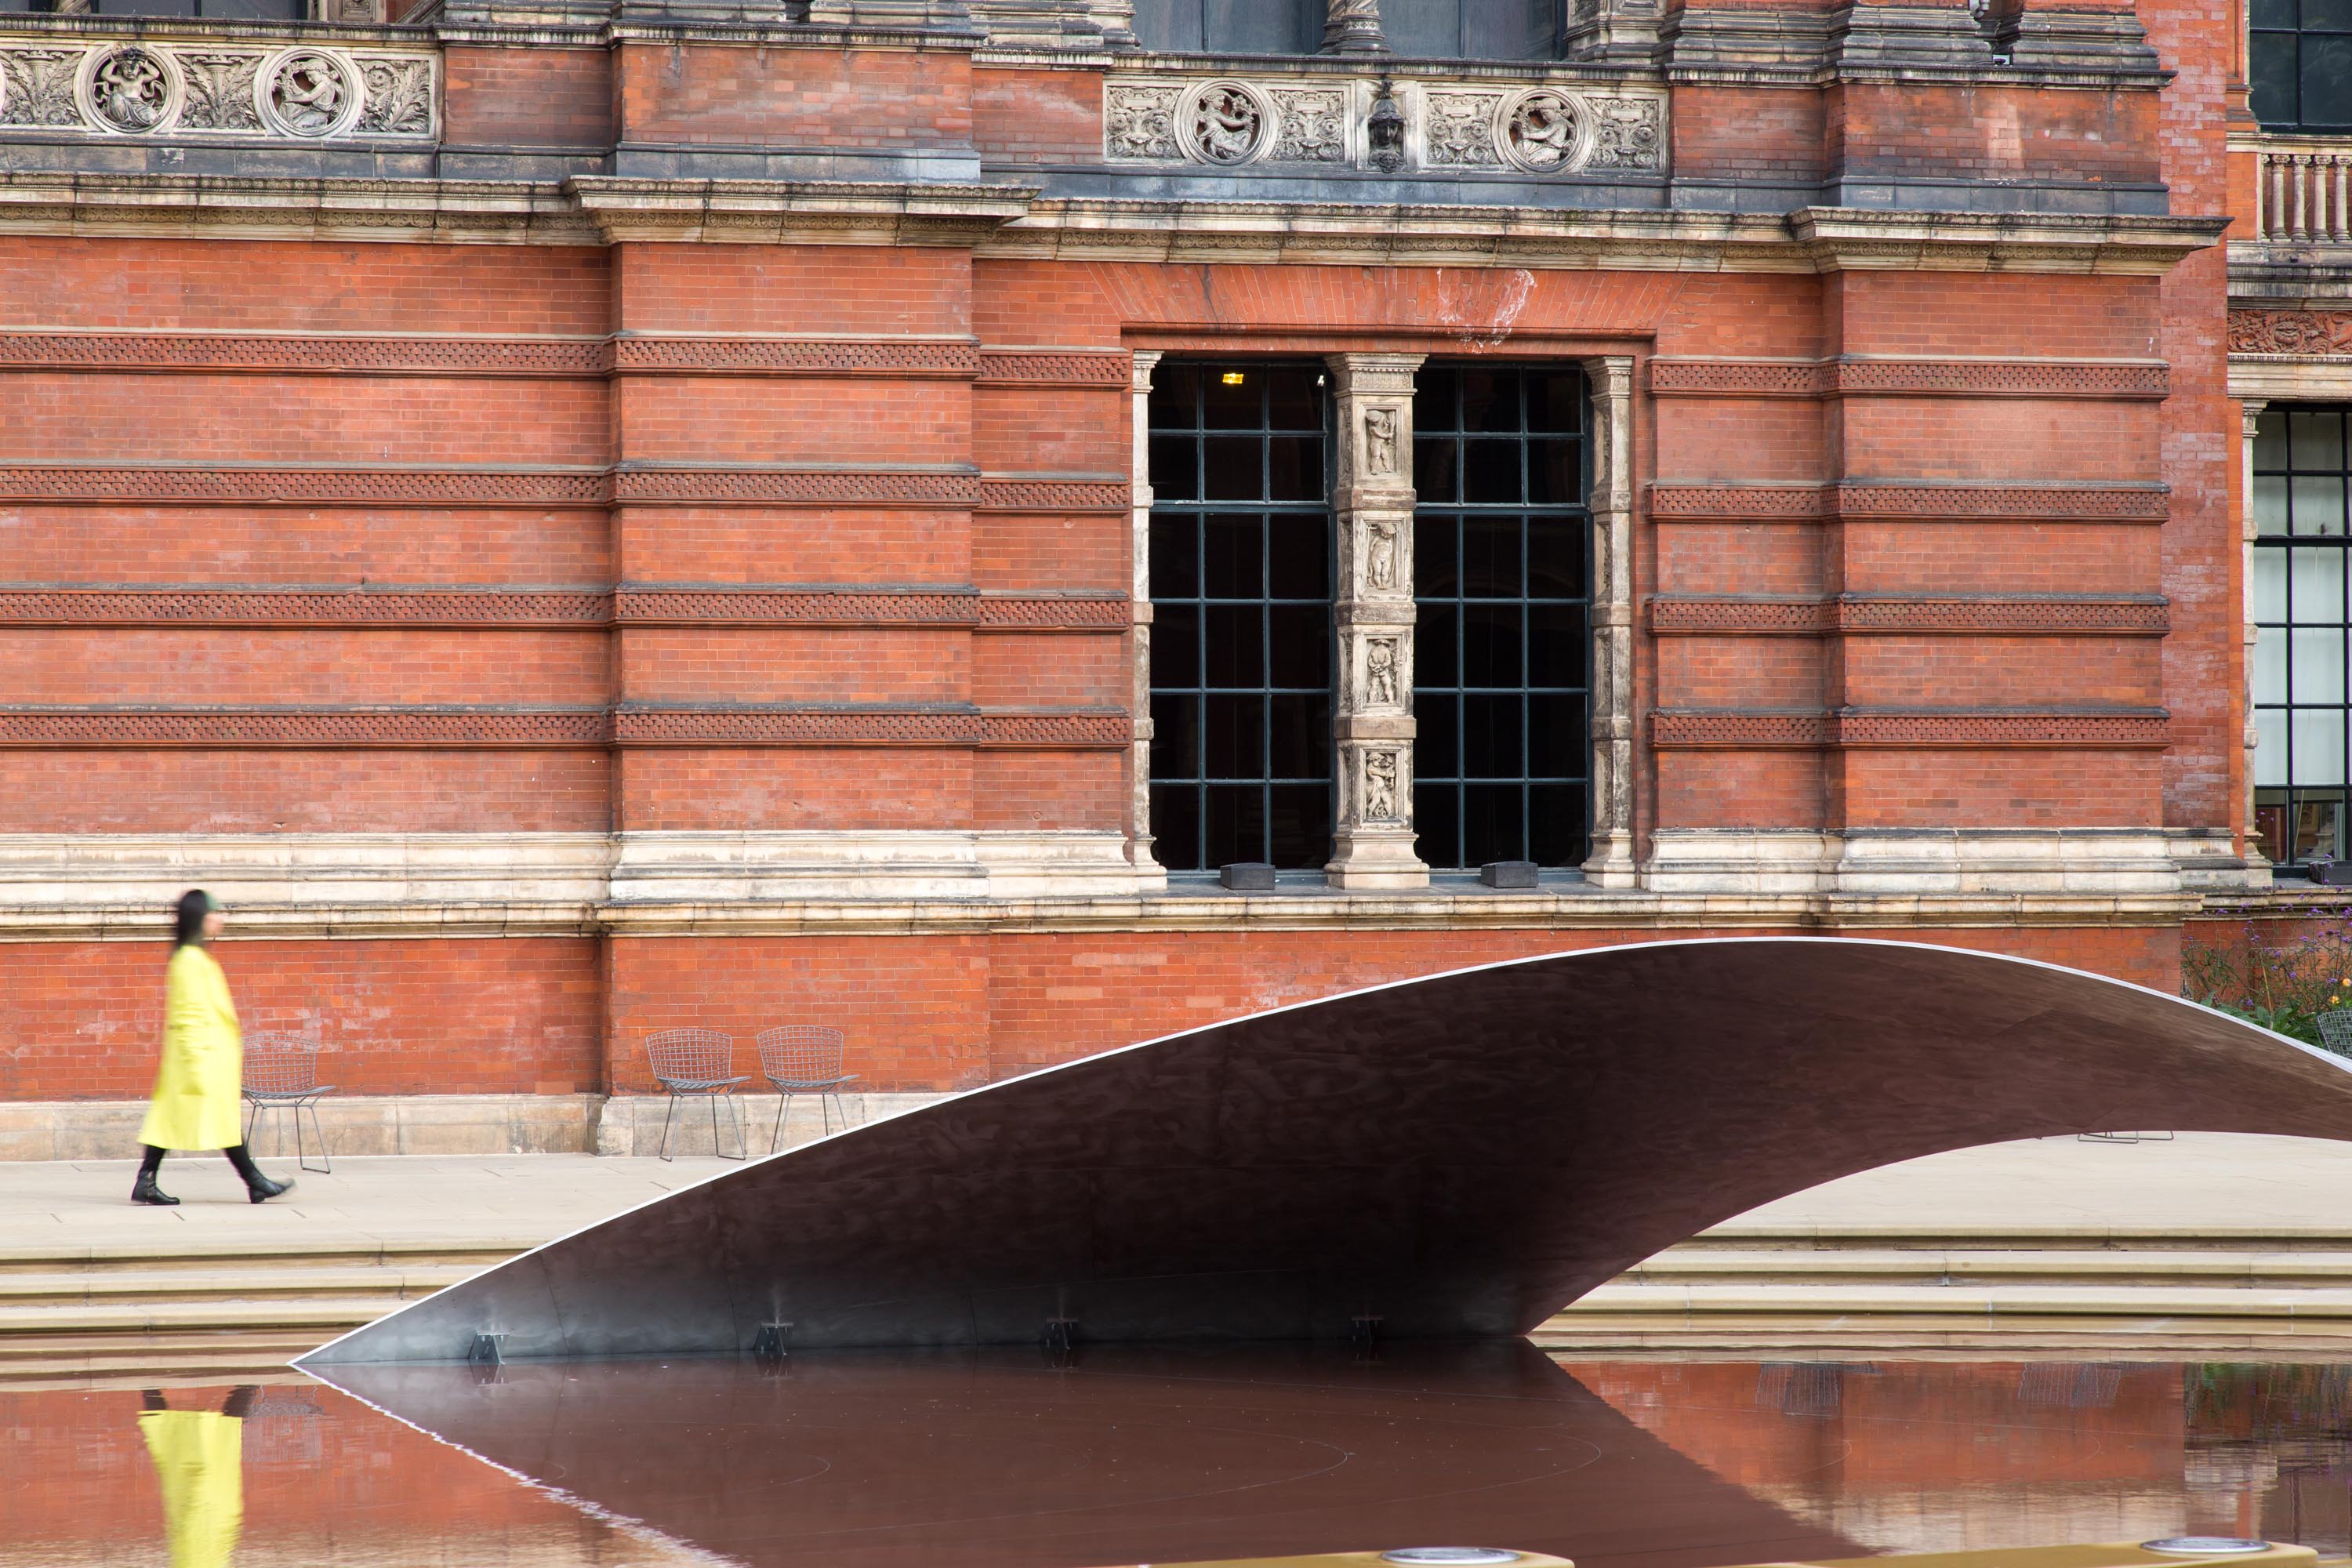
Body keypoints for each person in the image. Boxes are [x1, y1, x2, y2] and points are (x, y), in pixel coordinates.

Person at [132, 891, 292, 1206]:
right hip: (201, 1059)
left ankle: (147, 1181)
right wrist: (195, 1064)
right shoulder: (190, 961)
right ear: (198, 918)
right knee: (204, 1122)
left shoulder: (194, 957)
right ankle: (255, 1182)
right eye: (214, 913)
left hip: (205, 1057)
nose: (220, 918)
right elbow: (188, 1014)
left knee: (181, 1120)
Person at [139, 1385, 255, 1568]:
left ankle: (248, 1386)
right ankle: (248, 1386)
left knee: (180, 1449)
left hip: (199, 1523)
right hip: (207, 1521)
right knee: (220, 1446)